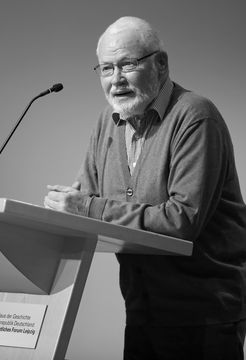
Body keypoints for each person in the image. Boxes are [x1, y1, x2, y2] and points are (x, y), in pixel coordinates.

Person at [44, 16, 246, 360]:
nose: (116, 79)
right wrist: (65, 208)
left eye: (128, 65)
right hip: (141, 309)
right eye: (106, 68)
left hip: (204, 316)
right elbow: (87, 201)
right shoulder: (106, 123)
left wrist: (84, 207)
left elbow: (181, 221)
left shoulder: (196, 116)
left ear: (161, 64)